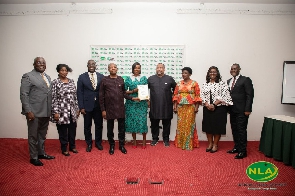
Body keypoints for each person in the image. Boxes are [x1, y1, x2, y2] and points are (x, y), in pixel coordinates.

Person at [20, 57, 55, 166]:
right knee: (33, 135)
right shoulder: (28, 76)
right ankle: (33, 157)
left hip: (46, 111)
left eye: (44, 63)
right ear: (34, 64)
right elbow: (24, 94)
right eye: (39, 62)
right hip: (34, 112)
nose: (42, 64)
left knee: (42, 135)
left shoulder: (48, 77)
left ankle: (41, 153)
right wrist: (28, 110)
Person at [99, 63, 140, 155]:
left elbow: (124, 93)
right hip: (109, 109)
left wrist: (133, 98)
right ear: (108, 69)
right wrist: (103, 110)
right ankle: (112, 145)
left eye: (115, 67)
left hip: (120, 108)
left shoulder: (121, 79)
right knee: (110, 129)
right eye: (111, 67)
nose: (113, 68)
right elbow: (101, 96)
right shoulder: (104, 80)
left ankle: (121, 145)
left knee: (122, 129)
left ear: (117, 69)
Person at [201, 66, 233, 153]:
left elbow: (225, 96)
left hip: (219, 108)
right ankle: (210, 143)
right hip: (207, 108)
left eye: (214, 72)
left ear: (217, 73)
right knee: (208, 126)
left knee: (217, 127)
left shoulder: (222, 84)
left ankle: (215, 144)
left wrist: (214, 104)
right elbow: (202, 96)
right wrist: (207, 104)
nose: (212, 73)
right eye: (211, 72)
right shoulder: (205, 84)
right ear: (208, 73)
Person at [51, 64, 80, 156]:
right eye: (62, 70)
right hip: (61, 111)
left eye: (65, 70)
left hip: (71, 110)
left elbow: (75, 97)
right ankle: (64, 148)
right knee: (63, 131)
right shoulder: (55, 82)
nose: (64, 72)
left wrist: (77, 109)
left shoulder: (71, 81)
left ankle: (72, 146)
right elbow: (53, 98)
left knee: (72, 130)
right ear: (58, 71)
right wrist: (55, 112)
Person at [227, 63, 254, 159]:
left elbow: (249, 95)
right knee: (234, 130)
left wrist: (248, 109)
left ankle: (243, 151)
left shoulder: (245, 80)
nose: (233, 70)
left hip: (242, 111)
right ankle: (237, 147)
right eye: (232, 69)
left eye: (235, 68)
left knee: (241, 130)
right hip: (232, 110)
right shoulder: (229, 81)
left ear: (239, 69)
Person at [77, 60, 104, 152]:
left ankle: (98, 143)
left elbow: (103, 92)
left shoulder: (101, 76)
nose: (91, 66)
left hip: (98, 106)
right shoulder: (82, 77)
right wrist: (81, 107)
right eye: (90, 64)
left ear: (95, 66)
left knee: (99, 125)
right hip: (87, 106)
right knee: (87, 126)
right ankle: (89, 143)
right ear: (87, 65)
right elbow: (79, 93)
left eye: (93, 64)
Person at [173, 67, 202, 150]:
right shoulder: (178, 83)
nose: (183, 74)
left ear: (190, 74)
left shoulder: (194, 83)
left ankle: (188, 144)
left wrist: (196, 107)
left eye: (185, 73)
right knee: (181, 125)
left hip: (191, 106)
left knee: (189, 125)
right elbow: (175, 95)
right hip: (180, 107)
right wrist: (175, 107)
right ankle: (180, 143)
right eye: (182, 73)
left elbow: (197, 96)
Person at [148, 63, 176, 147]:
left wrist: (174, 99)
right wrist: (147, 100)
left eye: (161, 68)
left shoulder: (170, 79)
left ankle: (166, 139)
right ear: (156, 69)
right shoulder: (150, 79)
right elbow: (144, 90)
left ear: (164, 69)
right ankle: (155, 139)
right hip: (154, 105)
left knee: (167, 123)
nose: (159, 69)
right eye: (158, 68)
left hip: (166, 105)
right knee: (154, 123)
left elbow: (176, 89)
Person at [125, 62, 148, 149]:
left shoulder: (144, 78)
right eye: (135, 68)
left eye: (138, 68)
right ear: (132, 69)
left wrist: (147, 100)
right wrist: (133, 91)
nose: (137, 69)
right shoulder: (128, 79)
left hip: (142, 103)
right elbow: (124, 92)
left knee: (142, 122)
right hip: (131, 103)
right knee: (133, 122)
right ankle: (134, 140)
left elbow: (145, 90)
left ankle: (144, 141)